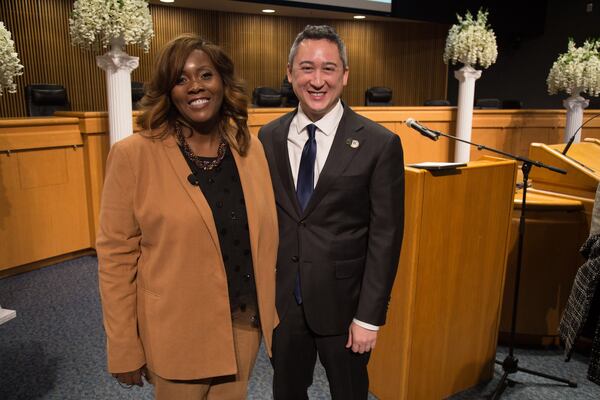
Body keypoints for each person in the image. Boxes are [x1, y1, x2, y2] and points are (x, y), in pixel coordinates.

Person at [96, 34, 278, 399]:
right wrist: (124, 346)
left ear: (223, 81)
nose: (195, 86)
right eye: (181, 79)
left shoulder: (249, 147)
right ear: (168, 91)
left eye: (205, 75)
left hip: (243, 325)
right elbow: (116, 259)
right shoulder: (133, 155)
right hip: (176, 333)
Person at [258, 25, 405, 399]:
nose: (317, 80)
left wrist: (369, 316)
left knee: (350, 393)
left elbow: (386, 238)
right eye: (307, 68)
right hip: (285, 305)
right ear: (290, 74)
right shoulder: (268, 137)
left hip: (346, 308)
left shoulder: (379, 143)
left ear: (345, 75)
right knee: (287, 392)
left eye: (329, 68)